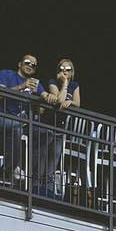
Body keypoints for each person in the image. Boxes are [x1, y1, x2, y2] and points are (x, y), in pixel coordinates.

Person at [0, 54, 44, 187]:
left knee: (46, 134)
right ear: (19, 64)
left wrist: (41, 100)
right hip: (0, 118)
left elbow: (42, 108)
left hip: (21, 124)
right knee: (17, 126)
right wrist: (22, 86)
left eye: (33, 65)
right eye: (27, 62)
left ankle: (32, 177)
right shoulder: (6, 74)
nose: (30, 65)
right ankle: (10, 169)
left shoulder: (35, 83)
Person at [36, 58, 82, 201]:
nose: (65, 71)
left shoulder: (75, 85)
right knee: (43, 156)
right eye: (62, 68)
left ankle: (49, 192)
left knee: (54, 158)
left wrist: (71, 101)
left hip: (61, 128)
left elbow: (78, 103)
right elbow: (59, 100)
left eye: (68, 69)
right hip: (47, 124)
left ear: (72, 72)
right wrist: (65, 84)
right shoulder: (53, 82)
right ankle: (36, 187)